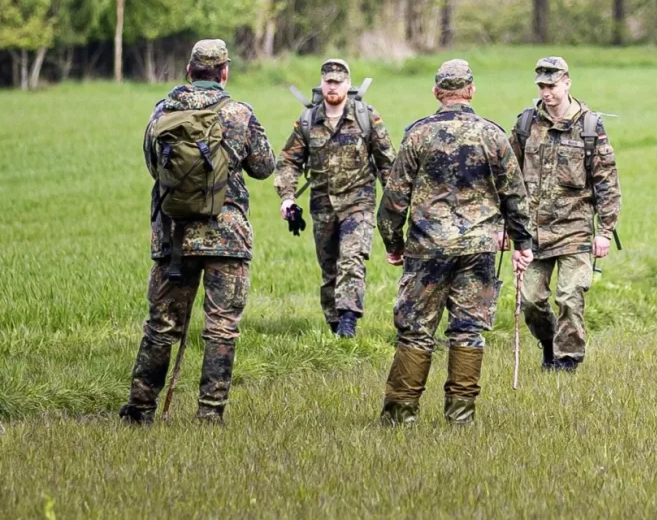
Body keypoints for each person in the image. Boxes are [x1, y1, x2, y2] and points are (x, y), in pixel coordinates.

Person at [120, 39, 275, 425]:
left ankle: (139, 410)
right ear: (224, 72)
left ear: (189, 71)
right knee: (222, 328)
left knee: (161, 326)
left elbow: (153, 164)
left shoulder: (162, 111)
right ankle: (209, 414)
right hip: (227, 236)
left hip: (174, 236)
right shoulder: (239, 113)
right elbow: (264, 167)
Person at [377, 59, 533, 425]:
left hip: (426, 248)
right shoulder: (492, 135)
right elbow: (515, 194)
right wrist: (523, 241)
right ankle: (461, 415)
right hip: (478, 248)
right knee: (468, 329)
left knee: (415, 329)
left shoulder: (418, 135)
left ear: (436, 92)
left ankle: (400, 415)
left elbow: (393, 199)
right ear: (471, 90)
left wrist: (393, 243)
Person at [510, 55, 620, 372]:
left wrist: (605, 231)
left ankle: (568, 359)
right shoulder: (525, 124)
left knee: (570, 296)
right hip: (533, 231)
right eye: (542, 86)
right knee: (531, 301)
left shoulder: (589, 127)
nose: (547, 93)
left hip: (575, 229)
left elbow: (607, 181)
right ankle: (548, 343)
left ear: (567, 82)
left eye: (553, 85)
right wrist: (507, 227)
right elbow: (508, 176)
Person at [274, 58, 395, 338]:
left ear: (348, 84)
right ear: (322, 83)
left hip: (359, 203)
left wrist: (394, 202)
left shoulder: (366, 116)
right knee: (329, 268)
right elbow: (288, 162)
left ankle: (348, 322)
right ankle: (334, 324)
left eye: (338, 82)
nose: (333, 87)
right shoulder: (307, 120)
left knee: (352, 260)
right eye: (328, 81)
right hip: (323, 205)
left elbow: (388, 161)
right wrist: (287, 198)